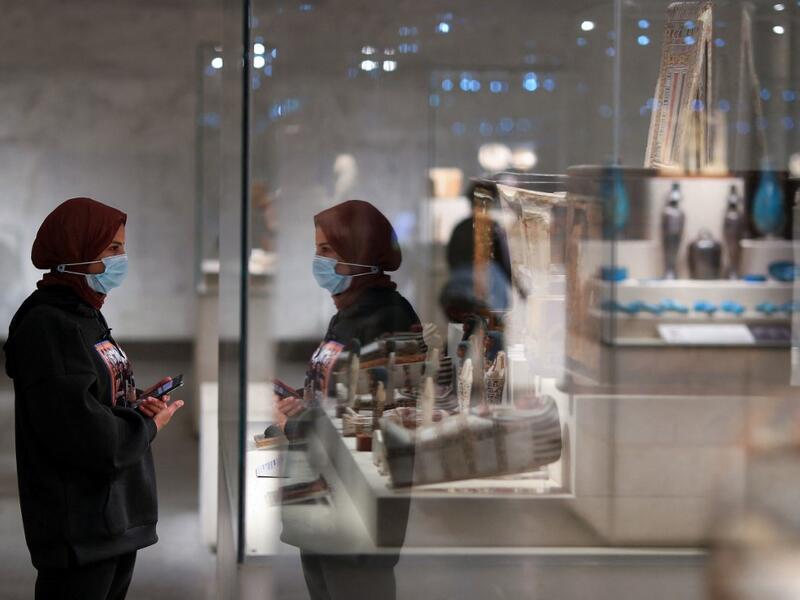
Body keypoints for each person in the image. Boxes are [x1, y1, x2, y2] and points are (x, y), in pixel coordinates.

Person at [3, 197, 184, 600]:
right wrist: (147, 425)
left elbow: (95, 392)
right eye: (112, 248)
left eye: (123, 247)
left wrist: (133, 401)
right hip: (79, 530)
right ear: (77, 251)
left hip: (111, 520)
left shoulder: (85, 313)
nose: (122, 259)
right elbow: (82, 432)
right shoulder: (49, 325)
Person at [276, 199, 420, 600]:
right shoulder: (349, 313)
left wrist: (296, 423)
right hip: (322, 491)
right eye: (317, 249)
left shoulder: (389, 318)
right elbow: (338, 392)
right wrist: (301, 402)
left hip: (357, 503)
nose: (318, 260)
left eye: (327, 250)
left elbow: (374, 416)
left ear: (359, 251)